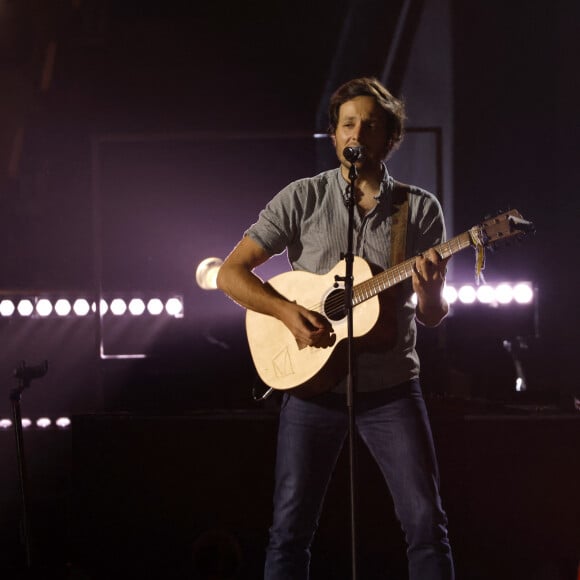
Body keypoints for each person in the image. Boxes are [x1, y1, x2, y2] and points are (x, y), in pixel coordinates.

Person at [216, 77, 454, 580]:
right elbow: (229, 273)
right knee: (289, 530)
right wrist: (284, 312)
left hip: (391, 388)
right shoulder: (302, 198)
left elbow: (432, 315)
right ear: (334, 134)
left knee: (426, 526)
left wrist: (431, 291)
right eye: (349, 123)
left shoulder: (420, 208)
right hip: (311, 389)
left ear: (390, 139)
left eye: (371, 125)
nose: (358, 132)